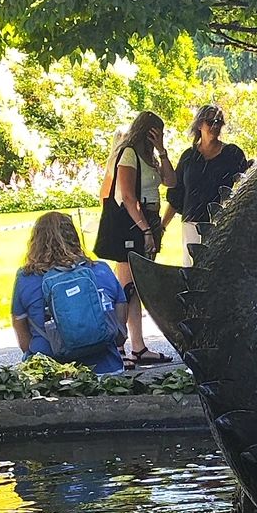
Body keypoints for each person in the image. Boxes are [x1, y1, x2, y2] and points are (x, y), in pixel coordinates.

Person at [93, 111, 175, 363]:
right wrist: (145, 230)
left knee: (138, 287)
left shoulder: (150, 157)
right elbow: (128, 197)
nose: (158, 136)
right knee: (126, 288)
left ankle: (138, 346)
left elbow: (171, 181)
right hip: (133, 223)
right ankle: (119, 345)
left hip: (149, 218)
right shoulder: (128, 154)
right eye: (155, 132)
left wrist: (162, 151)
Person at [11, 213, 128, 376]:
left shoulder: (26, 278)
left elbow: (23, 339)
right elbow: (120, 332)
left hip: (51, 374)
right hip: (107, 369)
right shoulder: (101, 270)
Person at [160, 103, 249, 266]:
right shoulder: (188, 157)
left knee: (220, 269)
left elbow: (246, 188)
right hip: (192, 224)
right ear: (199, 124)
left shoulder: (233, 154)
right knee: (192, 269)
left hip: (222, 224)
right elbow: (176, 196)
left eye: (219, 122)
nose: (215, 126)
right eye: (210, 122)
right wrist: (162, 227)